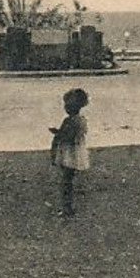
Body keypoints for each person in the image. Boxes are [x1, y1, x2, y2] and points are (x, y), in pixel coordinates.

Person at [49, 88, 91, 218]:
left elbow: (66, 136)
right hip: (75, 153)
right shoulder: (82, 120)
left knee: (66, 181)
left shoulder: (69, 121)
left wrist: (57, 134)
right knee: (68, 179)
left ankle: (67, 208)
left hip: (68, 153)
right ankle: (68, 207)